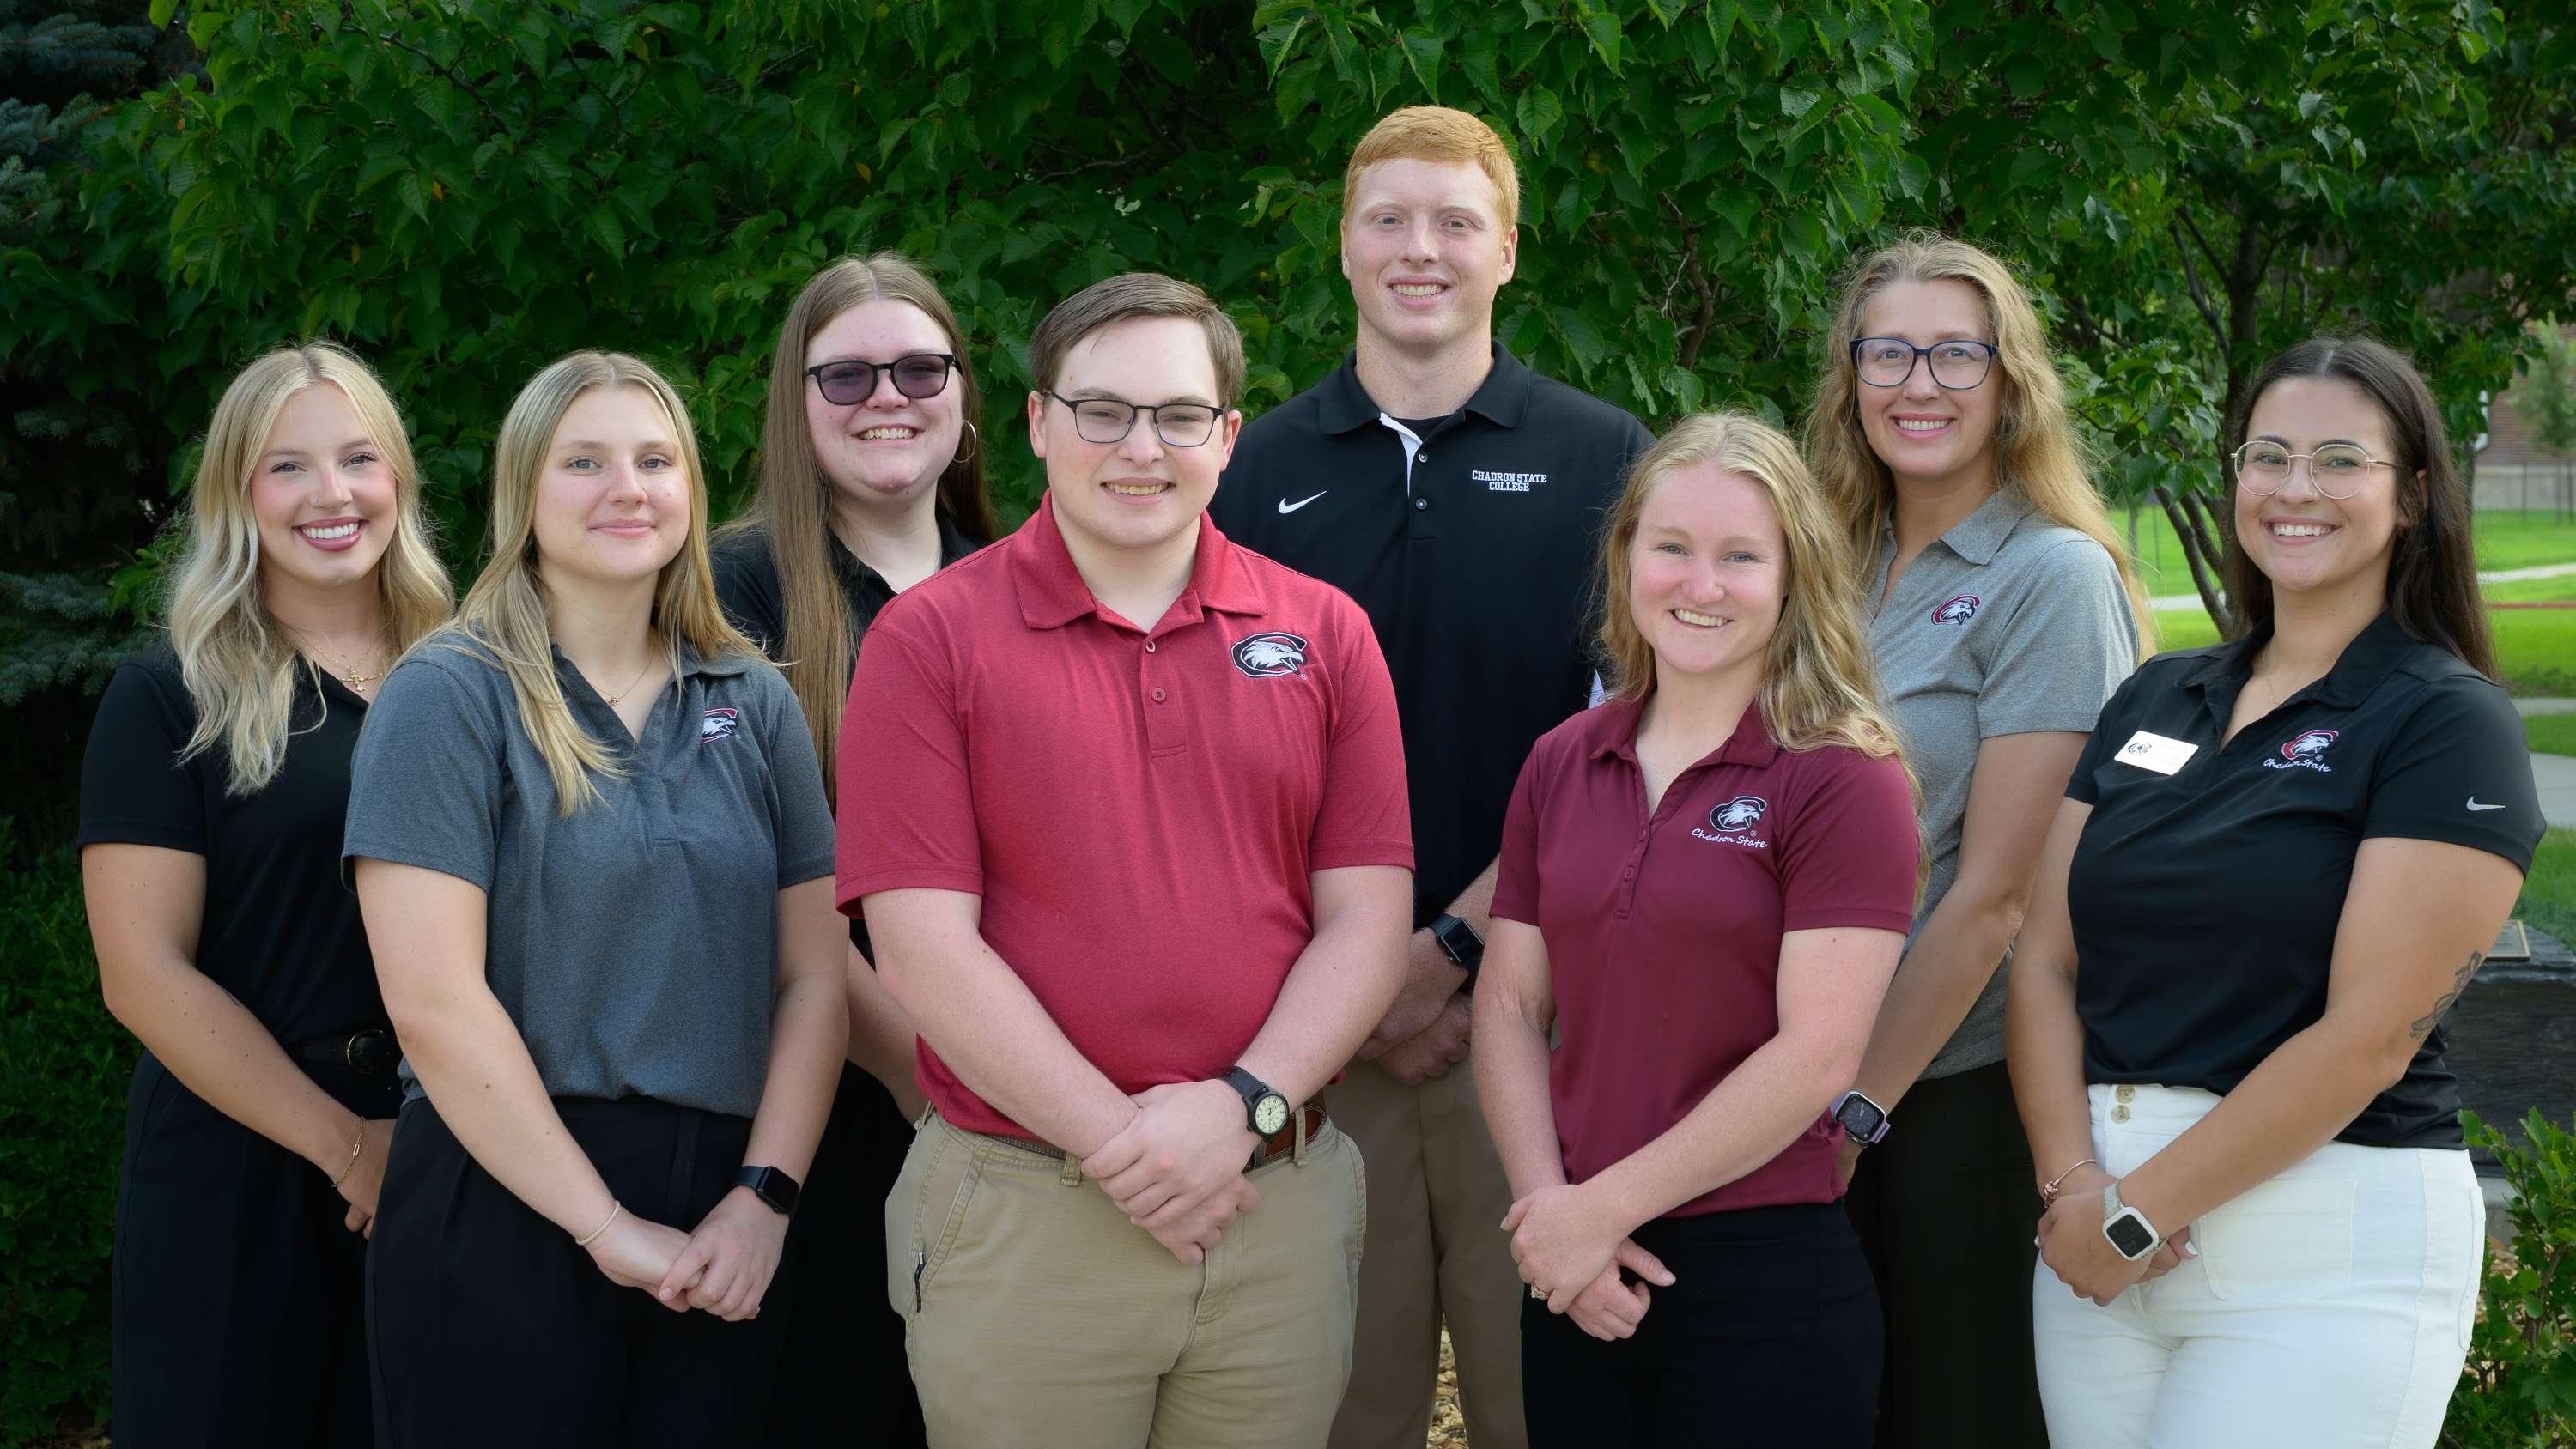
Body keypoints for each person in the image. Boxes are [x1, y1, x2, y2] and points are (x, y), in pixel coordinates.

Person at [843, 271, 1414, 1447]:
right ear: (1041, 424)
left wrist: (1241, 1109)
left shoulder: (1325, 634)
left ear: (1228, 438)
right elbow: (919, 947)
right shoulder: (931, 638)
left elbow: (1365, 922)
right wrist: (1129, 1149)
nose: (1140, 448)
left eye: (1177, 416)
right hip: (1028, 1206)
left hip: (1274, 1203)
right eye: (1102, 411)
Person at [2008, 336, 2543, 1447]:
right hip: (2101, 1232)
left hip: (2320, 1251)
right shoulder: (2158, 696)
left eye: (2341, 460)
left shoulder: (2446, 723)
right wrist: (2074, 1191)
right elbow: (2045, 959)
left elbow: (2367, 1039)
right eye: (2269, 455)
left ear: (2414, 496)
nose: (2296, 489)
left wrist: (2140, 1210)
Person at [1212, 104, 1653, 1449]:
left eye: (1456, 221)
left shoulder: (1604, 458)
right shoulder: (1247, 465)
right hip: (1300, 1037)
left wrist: (1452, 948)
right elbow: (1213, 767)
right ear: (1342, 246)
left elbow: (1627, 749)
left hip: (1533, 1017)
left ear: (1508, 252)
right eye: (1389, 219)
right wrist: (1355, 979)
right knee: (1340, 1408)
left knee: (1544, 1397)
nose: (1422, 249)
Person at [344, 351, 847, 1447]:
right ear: (523, 491)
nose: (629, 487)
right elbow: (433, 1002)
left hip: (725, 1212)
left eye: (655, 459)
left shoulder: (754, 697)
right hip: (504, 1193)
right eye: (585, 461)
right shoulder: (448, 693)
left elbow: (815, 975)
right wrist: (608, 1226)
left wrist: (764, 1199)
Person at [1474, 410, 1919, 1447]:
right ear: (1627, 554)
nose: (1700, 583)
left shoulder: (1844, 777)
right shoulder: (1564, 758)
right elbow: (1505, 1002)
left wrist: (1597, 1212)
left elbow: (1816, 1055)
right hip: (1582, 1279)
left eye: (1740, 556)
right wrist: (1553, 1217)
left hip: (1762, 1284)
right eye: (1671, 546)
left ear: (1794, 575)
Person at [1803, 233, 2152, 1446]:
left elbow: (2001, 898)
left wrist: (1852, 1110)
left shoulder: (2052, 578)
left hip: (1949, 1097)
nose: (1920, 384)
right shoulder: (1824, 567)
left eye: (1958, 354)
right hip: (1792, 1076)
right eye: (1888, 352)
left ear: (2011, 383)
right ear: (1849, 377)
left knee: (1955, 1417)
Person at [77, 343, 453, 1447]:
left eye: (358, 459)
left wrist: (418, 1146)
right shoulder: (168, 694)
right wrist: (347, 1143)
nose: (331, 495)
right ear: (235, 494)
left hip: (450, 1153)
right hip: (238, 1173)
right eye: (288, 468)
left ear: (399, 480)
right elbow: (142, 975)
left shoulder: (473, 674)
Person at [710, 252, 998, 1448]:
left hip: (1014, 1097)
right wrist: (932, 1079)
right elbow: (766, 881)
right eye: (847, 376)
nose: (889, 395)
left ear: (966, 396)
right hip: (824, 1102)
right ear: (795, 400)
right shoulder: (733, 590)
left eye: (920, 366)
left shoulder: (1025, 578)